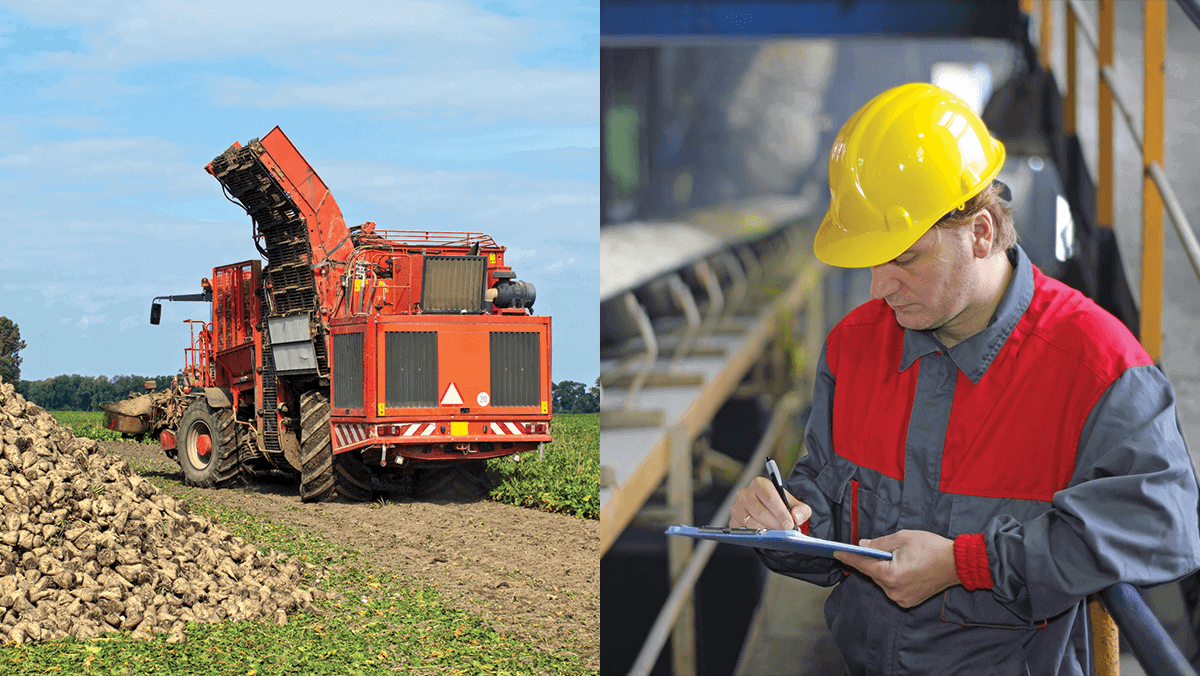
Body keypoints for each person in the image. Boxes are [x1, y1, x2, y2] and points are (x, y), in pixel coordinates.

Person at [730, 82, 1200, 674]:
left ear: (981, 232)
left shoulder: (1094, 364)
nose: (879, 287)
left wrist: (965, 564)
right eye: (872, 260)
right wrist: (782, 524)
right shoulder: (855, 347)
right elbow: (822, 499)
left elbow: (1165, 524)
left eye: (903, 258)